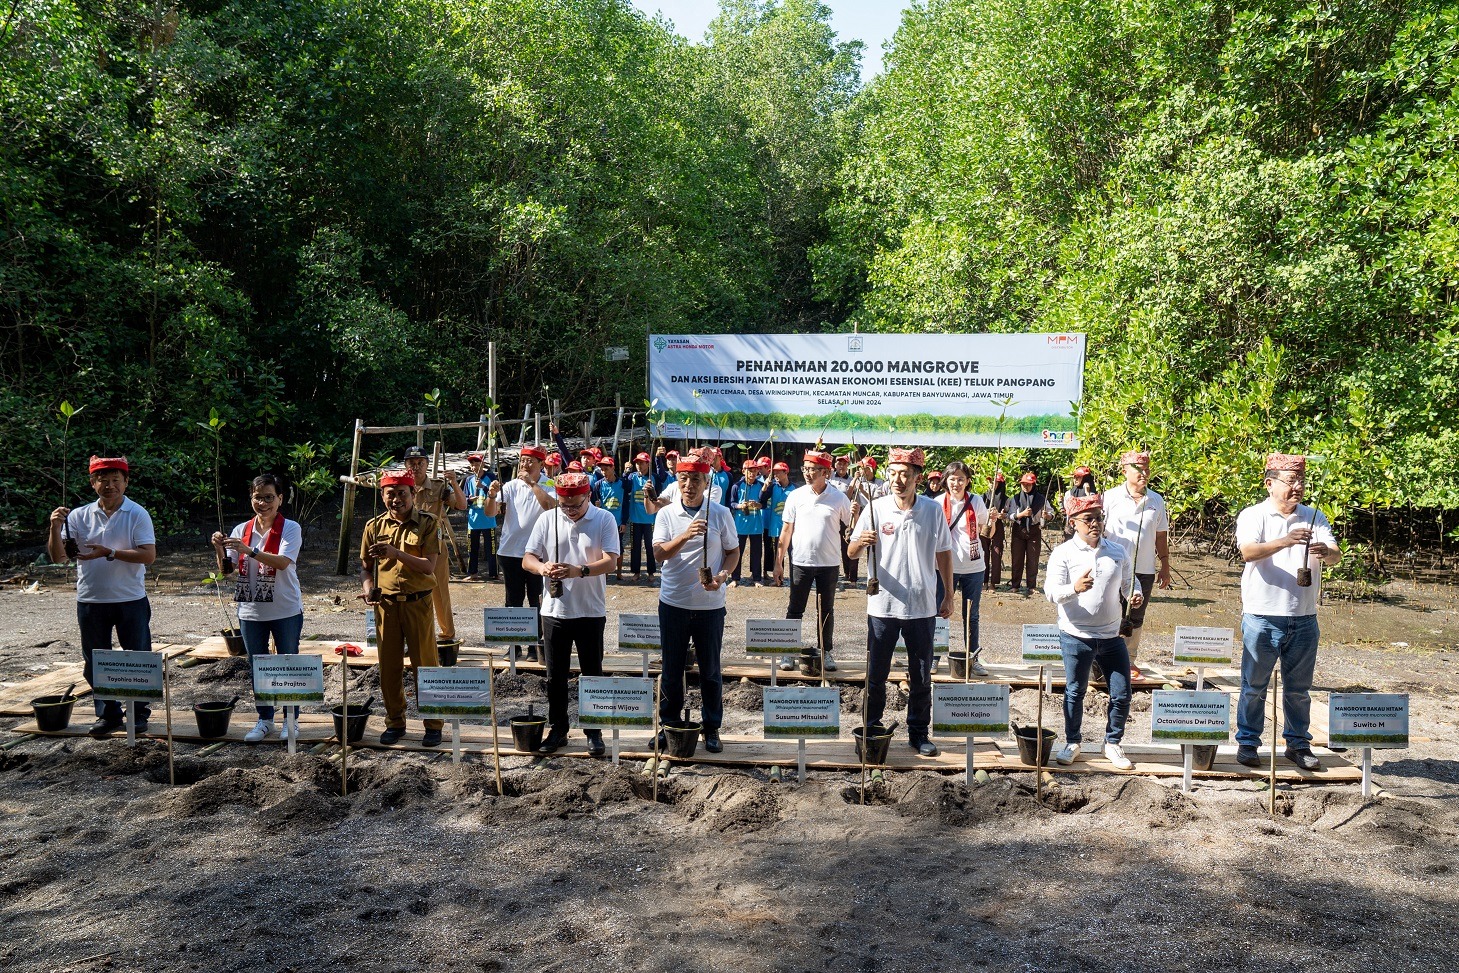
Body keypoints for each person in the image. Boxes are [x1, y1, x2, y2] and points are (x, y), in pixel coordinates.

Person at [1234, 453, 1340, 770]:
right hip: (1262, 615)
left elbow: (1335, 555)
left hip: (1304, 617)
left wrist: (1327, 552)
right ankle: (1249, 744)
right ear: (1270, 484)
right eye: (1290, 481)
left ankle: (1296, 744)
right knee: (1253, 687)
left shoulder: (1314, 516)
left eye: (1301, 481)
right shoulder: (1254, 515)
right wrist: (1285, 540)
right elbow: (1248, 552)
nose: (1297, 487)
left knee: (1299, 690)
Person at [847, 447, 954, 757]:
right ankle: (872, 730)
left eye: (904, 474)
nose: (897, 479)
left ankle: (919, 734)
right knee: (876, 674)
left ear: (917, 478)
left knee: (921, 676)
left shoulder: (933, 511)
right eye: (892, 473)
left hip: (922, 607)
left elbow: (943, 553)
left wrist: (948, 594)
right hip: (882, 606)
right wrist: (859, 542)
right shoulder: (875, 509)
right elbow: (852, 551)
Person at [47, 456, 158, 736]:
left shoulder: (137, 513)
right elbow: (59, 557)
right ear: (93, 482)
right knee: (95, 660)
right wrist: (54, 527)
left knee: (138, 657)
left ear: (125, 482)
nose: (109, 486)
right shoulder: (77, 516)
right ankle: (108, 714)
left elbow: (149, 556)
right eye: (103, 480)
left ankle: (138, 713)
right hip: (91, 599)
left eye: (115, 480)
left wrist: (110, 552)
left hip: (130, 598)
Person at [523, 472, 621, 756]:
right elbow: (527, 558)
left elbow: (611, 562)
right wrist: (542, 568)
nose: (569, 510)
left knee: (593, 673)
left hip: (590, 610)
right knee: (555, 675)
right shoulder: (547, 519)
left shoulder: (604, 519)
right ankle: (558, 729)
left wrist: (580, 571)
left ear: (588, 496)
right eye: (564, 505)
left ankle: (594, 730)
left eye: (575, 505)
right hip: (554, 611)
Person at [1044, 494, 1143, 770]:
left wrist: (1135, 593)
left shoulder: (1117, 550)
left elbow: (1128, 580)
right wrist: (1073, 588)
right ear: (1073, 522)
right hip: (1076, 634)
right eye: (1088, 519)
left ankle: (1112, 743)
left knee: (1122, 693)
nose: (1095, 524)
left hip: (1111, 636)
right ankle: (1073, 741)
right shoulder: (1063, 553)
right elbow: (1051, 592)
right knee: (1075, 691)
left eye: (1099, 518)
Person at [652, 449, 740, 754]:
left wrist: (723, 575)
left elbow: (732, 551)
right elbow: (659, 554)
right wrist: (687, 535)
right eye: (683, 478)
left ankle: (712, 727)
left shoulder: (720, 513)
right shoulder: (666, 514)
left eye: (696, 479)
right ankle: (669, 725)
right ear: (677, 480)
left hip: (710, 606)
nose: (689, 485)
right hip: (674, 602)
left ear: (706, 483)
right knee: (672, 668)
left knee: (711, 671)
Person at [210, 474, 304, 743]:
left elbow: (283, 562)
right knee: (257, 666)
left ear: (280, 499)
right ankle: (265, 719)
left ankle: (291, 719)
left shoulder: (290, 528)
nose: (263, 503)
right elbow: (226, 571)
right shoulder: (242, 529)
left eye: (268, 497)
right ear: (250, 498)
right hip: (251, 610)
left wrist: (248, 551)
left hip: (285, 608)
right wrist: (219, 549)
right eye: (257, 497)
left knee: (288, 664)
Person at [359, 471, 445, 746]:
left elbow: (428, 566)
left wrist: (396, 553)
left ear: (412, 494)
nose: (396, 500)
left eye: (401, 494)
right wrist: (367, 588)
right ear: (382, 496)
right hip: (385, 606)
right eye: (390, 494)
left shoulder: (427, 524)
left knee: (426, 665)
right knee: (389, 667)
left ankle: (433, 724)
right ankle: (395, 722)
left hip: (417, 603)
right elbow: (364, 568)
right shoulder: (373, 526)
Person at [775, 450, 853, 674]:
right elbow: (786, 530)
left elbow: (850, 528)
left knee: (826, 609)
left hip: (829, 563)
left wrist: (855, 517)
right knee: (795, 609)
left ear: (825, 473)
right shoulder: (796, 496)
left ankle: (825, 650)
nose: (808, 473)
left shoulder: (839, 498)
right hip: (800, 561)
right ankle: (788, 651)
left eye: (813, 470)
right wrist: (778, 562)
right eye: (805, 469)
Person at [482, 445, 557, 662]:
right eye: (522, 460)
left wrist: (532, 484)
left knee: (536, 600)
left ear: (541, 464)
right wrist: (492, 495)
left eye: (530, 461)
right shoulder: (511, 486)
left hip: (538, 553)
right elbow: (490, 513)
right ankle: (513, 646)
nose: (524, 464)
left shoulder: (549, 484)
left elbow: (550, 507)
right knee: (512, 600)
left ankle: (535, 646)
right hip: (509, 551)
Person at [1102, 450, 1172, 680]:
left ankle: (1129, 660)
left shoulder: (1156, 500)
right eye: (1138, 469)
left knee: (1136, 615)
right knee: (1109, 612)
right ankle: (1104, 659)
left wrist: (1164, 565)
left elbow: (1160, 536)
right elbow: (1098, 531)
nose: (1144, 474)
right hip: (1112, 567)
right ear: (1125, 471)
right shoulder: (1109, 497)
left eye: (1147, 470)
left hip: (1143, 568)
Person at [402, 445, 467, 647]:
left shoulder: (439, 487)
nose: (416, 467)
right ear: (405, 466)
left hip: (435, 547)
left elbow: (462, 505)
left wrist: (455, 483)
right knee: (406, 591)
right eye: (412, 463)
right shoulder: (403, 488)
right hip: (407, 547)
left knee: (439, 591)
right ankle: (411, 635)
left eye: (420, 463)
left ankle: (447, 635)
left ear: (427, 465)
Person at [937, 462, 989, 676]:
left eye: (961, 479)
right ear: (945, 481)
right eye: (952, 478)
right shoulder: (938, 503)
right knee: (939, 613)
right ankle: (934, 656)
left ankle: (973, 657)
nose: (956, 483)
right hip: (943, 567)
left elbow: (988, 532)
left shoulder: (976, 501)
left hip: (974, 566)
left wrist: (992, 521)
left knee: (972, 616)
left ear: (967, 481)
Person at [728, 459, 772, 586]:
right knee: (738, 552)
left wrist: (758, 504)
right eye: (749, 471)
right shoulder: (737, 486)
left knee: (757, 553)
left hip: (756, 525)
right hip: (740, 524)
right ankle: (735, 578)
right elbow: (731, 503)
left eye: (754, 471)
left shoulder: (761, 486)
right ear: (743, 471)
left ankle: (757, 578)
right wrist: (739, 506)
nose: (752, 474)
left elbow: (763, 503)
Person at [1007, 471, 1049, 595]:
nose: (1026, 486)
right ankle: (1015, 585)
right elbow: (1009, 515)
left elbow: (1051, 513)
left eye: (1028, 484)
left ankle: (1031, 586)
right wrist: (1022, 514)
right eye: (1023, 484)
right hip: (1018, 530)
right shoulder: (1015, 498)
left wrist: (1047, 516)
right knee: (1017, 559)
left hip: (1034, 530)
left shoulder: (1041, 499)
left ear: (1033, 484)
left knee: (1033, 559)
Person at [462, 452, 499, 582]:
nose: (475, 467)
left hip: (488, 519)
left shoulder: (490, 477)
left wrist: (483, 487)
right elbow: (464, 498)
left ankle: (494, 573)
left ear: (483, 465)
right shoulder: (468, 480)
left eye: (477, 464)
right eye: (472, 464)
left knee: (491, 549)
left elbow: (496, 492)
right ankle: (473, 573)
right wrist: (469, 499)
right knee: (472, 548)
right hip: (473, 520)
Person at [624, 451, 659, 583]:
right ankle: (636, 571)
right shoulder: (631, 477)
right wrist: (626, 472)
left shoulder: (653, 477)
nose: (638, 465)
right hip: (635, 518)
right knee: (635, 546)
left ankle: (651, 572)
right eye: (637, 463)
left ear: (647, 464)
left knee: (650, 546)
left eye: (641, 463)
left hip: (650, 518)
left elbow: (657, 496)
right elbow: (624, 485)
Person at [592, 456, 626, 581]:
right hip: (603, 522)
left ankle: (619, 572)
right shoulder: (597, 485)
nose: (604, 472)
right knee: (603, 547)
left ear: (613, 468)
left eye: (606, 469)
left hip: (618, 521)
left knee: (619, 547)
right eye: (602, 469)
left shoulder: (623, 483)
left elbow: (626, 504)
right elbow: (593, 502)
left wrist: (624, 521)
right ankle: (604, 572)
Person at [763, 460, 791, 583]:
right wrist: (765, 487)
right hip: (775, 524)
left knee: (790, 551)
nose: (776, 476)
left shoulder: (794, 488)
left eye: (778, 473)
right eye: (774, 473)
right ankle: (777, 577)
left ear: (786, 473)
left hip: (790, 525)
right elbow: (762, 499)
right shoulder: (773, 486)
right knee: (777, 550)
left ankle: (792, 575)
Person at [981, 472, 1008, 590]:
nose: (992, 484)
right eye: (991, 481)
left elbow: (1007, 513)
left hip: (998, 526)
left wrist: (1002, 515)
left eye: (995, 482)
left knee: (996, 554)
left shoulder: (1006, 499)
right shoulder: (984, 496)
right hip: (985, 525)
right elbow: (980, 511)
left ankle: (993, 583)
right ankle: (984, 581)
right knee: (984, 554)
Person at [1061, 466, 1097, 538]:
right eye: (1074, 477)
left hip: (1088, 528)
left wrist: (1087, 493)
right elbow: (1066, 511)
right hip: (1071, 529)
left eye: (1078, 477)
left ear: (1085, 478)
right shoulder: (1069, 493)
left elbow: (1093, 508)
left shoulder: (1093, 494)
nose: (1075, 479)